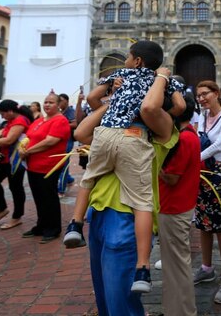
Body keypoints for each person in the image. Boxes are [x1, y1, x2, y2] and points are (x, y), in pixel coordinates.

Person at [63, 41, 184, 296]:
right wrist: (161, 81)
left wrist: (115, 95)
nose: (124, 61)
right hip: (107, 200)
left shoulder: (161, 124)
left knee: (87, 179)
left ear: (136, 60)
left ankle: (74, 224)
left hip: (118, 206)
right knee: (143, 203)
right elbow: (175, 106)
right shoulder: (156, 90)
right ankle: (143, 266)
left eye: (128, 57)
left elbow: (99, 102)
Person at [157, 90, 201, 316]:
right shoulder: (189, 134)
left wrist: (155, 161)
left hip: (174, 207)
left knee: (176, 267)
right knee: (174, 265)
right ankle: (175, 308)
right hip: (178, 206)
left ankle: (182, 311)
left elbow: (172, 177)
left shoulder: (183, 139)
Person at [192, 80, 221, 304]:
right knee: (202, 221)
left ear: (216, 93)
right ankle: (206, 267)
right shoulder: (202, 115)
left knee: (219, 222)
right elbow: (199, 139)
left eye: (205, 94)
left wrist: (193, 160)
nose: (201, 98)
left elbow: (219, 144)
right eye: (198, 95)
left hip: (217, 170)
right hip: (201, 169)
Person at [19, 92, 70, 243]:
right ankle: (41, 226)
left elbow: (50, 141)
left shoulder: (60, 121)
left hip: (48, 165)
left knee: (49, 197)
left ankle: (53, 228)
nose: (47, 104)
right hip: (32, 165)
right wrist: (22, 148)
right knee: (38, 197)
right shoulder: (40, 120)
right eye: (46, 102)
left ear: (59, 105)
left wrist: (28, 151)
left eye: (51, 102)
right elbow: (28, 136)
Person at [0, 99, 33, 230]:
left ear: (11, 111)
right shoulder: (11, 121)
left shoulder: (20, 120)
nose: (2, 117)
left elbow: (9, 140)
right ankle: (1, 209)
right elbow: (3, 134)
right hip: (4, 160)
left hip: (15, 161)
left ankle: (17, 217)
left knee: (15, 188)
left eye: (3, 114)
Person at [57, 93, 77, 194]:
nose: (59, 102)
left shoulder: (70, 111)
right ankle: (69, 179)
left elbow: (75, 123)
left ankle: (61, 189)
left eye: (60, 100)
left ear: (66, 101)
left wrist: (61, 125)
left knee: (63, 164)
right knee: (62, 162)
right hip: (60, 140)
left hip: (67, 141)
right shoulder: (61, 112)